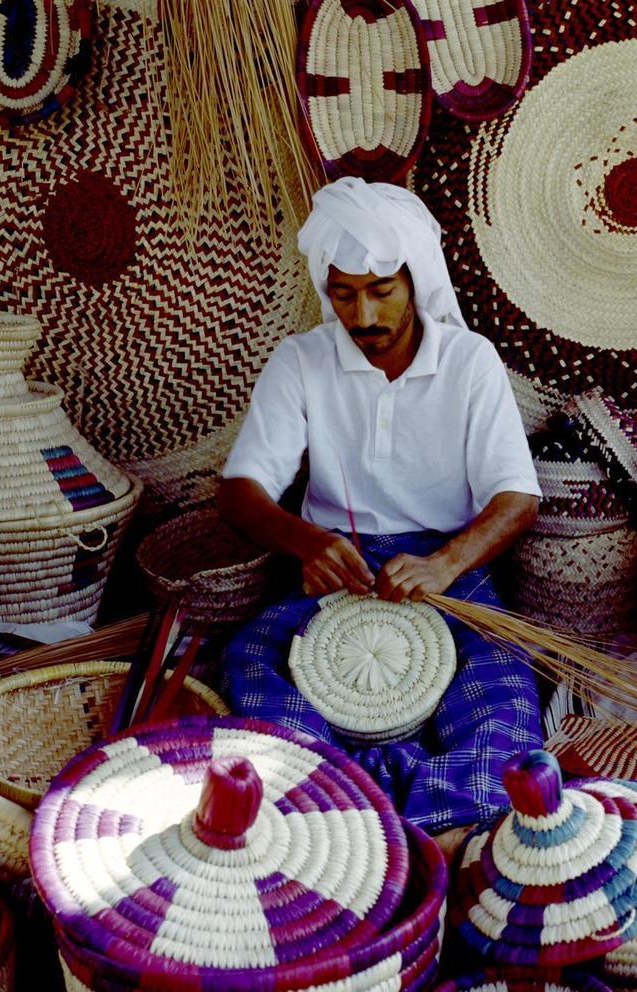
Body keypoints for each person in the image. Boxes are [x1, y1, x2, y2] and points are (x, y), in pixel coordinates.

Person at [216, 177, 543, 855]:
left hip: (447, 571)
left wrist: (446, 563)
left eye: (380, 290)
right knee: (249, 659)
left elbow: (517, 496)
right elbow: (242, 489)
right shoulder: (301, 362)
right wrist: (307, 542)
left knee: (505, 685)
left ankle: (372, 821)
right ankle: (354, 801)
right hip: (340, 572)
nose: (362, 314)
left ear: (415, 279)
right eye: (342, 293)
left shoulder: (468, 362)